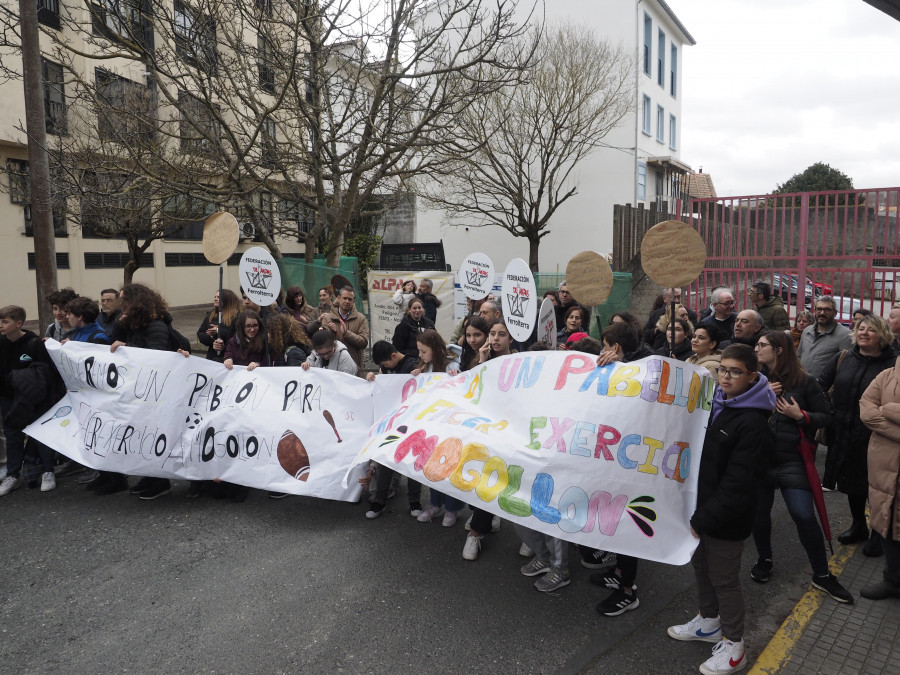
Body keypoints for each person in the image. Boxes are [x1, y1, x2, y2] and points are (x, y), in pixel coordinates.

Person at [667, 344, 776, 675]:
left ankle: (734, 645)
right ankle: (708, 621)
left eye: (735, 372)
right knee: (701, 567)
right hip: (701, 507)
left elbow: (738, 484)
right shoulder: (717, 405)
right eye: (722, 370)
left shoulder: (753, 423)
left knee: (724, 579)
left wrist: (704, 518)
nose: (726, 377)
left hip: (726, 517)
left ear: (752, 376)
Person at [750, 331, 852, 602]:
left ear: (779, 350)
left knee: (804, 515)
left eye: (762, 345)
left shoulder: (805, 382)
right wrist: (759, 394)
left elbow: (827, 417)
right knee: (759, 515)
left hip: (791, 461)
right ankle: (765, 559)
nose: (756, 349)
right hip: (760, 461)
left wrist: (801, 416)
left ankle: (822, 574)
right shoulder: (754, 380)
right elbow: (733, 410)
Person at [818, 314, 896, 547]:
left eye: (870, 330)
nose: (863, 333)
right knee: (851, 483)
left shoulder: (893, 364)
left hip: (877, 435)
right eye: (860, 328)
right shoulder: (843, 358)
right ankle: (858, 525)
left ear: (882, 336)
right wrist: (829, 412)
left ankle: (878, 534)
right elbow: (820, 385)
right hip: (843, 432)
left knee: (877, 486)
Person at [592, 322, 654, 615]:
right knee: (615, 521)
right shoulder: (628, 365)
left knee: (627, 524)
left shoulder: (646, 370)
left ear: (616, 349)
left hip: (632, 464)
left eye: (605, 346)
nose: (602, 352)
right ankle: (618, 573)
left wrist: (622, 369)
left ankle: (628, 591)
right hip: (617, 459)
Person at [108, 284, 190, 499]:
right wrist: (120, 325)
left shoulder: (155, 326)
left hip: (157, 394)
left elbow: (156, 359)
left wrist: (128, 349)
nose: (120, 304)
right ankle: (149, 476)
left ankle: (159, 481)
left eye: (124, 300)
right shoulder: (132, 325)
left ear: (136, 302)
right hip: (142, 392)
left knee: (153, 436)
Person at [462, 319, 515, 561]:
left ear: (511, 339)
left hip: (510, 431)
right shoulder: (481, 360)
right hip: (483, 430)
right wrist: (482, 364)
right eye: (492, 334)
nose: (494, 339)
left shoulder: (521, 362)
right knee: (479, 475)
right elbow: (473, 393)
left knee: (497, 476)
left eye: (501, 334)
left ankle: (478, 532)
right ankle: (480, 525)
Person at [0, 305, 60, 496]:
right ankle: (12, 474)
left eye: (5, 321)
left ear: (19, 323)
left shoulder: (34, 343)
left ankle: (48, 471)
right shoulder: (1, 343)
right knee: (13, 437)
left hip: (33, 399)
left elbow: (46, 372)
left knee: (40, 434)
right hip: (8, 398)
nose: (0, 325)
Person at [859, 354, 900, 600]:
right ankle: (892, 579)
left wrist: (890, 409)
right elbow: (867, 411)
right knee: (886, 520)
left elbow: (878, 411)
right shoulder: (885, 376)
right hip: (883, 465)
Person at [798, 295, 852, 381]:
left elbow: (847, 368)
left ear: (834, 313)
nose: (822, 313)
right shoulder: (807, 331)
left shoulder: (845, 335)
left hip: (823, 389)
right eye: (819, 309)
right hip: (801, 384)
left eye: (827, 310)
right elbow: (799, 357)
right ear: (814, 311)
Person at [321, 286, 369, 375]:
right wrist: (332, 333)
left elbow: (364, 342)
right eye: (345, 298)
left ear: (353, 301)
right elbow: (323, 344)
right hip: (333, 369)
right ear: (338, 298)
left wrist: (347, 334)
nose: (347, 301)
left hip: (354, 369)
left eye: (350, 299)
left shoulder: (361, 318)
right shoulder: (328, 318)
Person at [198, 289, 241, 362]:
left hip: (229, 357)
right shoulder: (211, 315)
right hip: (212, 356)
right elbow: (200, 333)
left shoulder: (236, 317)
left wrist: (218, 331)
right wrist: (212, 339)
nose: (215, 299)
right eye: (215, 297)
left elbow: (235, 335)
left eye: (218, 297)